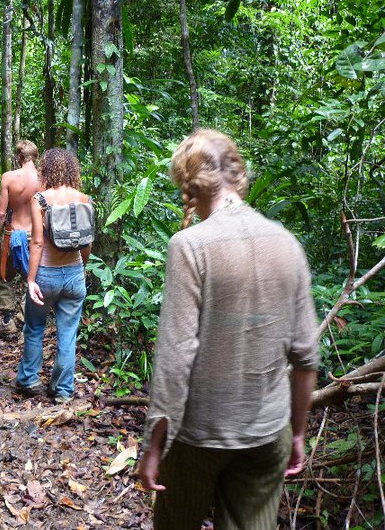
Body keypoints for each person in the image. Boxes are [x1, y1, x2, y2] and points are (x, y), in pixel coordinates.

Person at [135, 129, 320, 529]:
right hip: (268, 433)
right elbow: (306, 354)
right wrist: (298, 432)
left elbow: (175, 357)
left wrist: (154, 444)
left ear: (189, 186)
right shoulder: (287, 243)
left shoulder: (189, 245)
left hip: (197, 434)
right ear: (239, 175)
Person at [16, 148, 91, 404]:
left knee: (35, 326)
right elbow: (87, 242)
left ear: (46, 169)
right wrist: (82, 268)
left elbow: (37, 243)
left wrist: (31, 280)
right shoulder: (84, 198)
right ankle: (63, 390)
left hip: (46, 274)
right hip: (74, 273)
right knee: (68, 334)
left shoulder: (40, 199)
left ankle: (29, 379)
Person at [0, 140, 41, 336]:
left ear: (19, 157)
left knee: (4, 276)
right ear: (35, 156)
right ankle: (24, 317)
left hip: (13, 235)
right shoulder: (44, 178)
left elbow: (1, 213)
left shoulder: (9, 177)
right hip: (35, 236)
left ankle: (7, 321)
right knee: (32, 278)